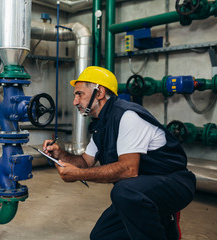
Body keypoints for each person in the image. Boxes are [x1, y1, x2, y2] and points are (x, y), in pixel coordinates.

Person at [42, 66, 196, 240]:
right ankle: (164, 225)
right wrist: (60, 154)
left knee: (123, 192)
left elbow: (128, 170)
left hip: (174, 183)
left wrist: (78, 174)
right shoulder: (101, 125)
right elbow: (85, 162)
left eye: (79, 94)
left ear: (99, 92)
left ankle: (165, 217)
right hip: (141, 190)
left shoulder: (126, 116)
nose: (75, 102)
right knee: (102, 235)